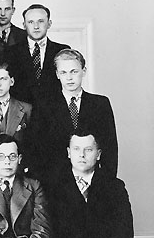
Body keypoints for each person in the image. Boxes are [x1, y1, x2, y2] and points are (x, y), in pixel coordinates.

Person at [30, 49, 118, 187]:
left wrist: (107, 181)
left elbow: (110, 146)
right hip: (55, 182)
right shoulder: (44, 106)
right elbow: (36, 146)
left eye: (74, 71)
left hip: (92, 180)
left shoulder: (100, 104)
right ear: (57, 74)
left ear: (84, 71)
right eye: (63, 72)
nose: (69, 78)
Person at [1, 4, 70, 104]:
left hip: (54, 110)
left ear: (49, 24)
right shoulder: (10, 52)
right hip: (22, 110)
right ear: (24, 25)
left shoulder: (61, 50)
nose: (36, 26)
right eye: (31, 22)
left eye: (41, 21)